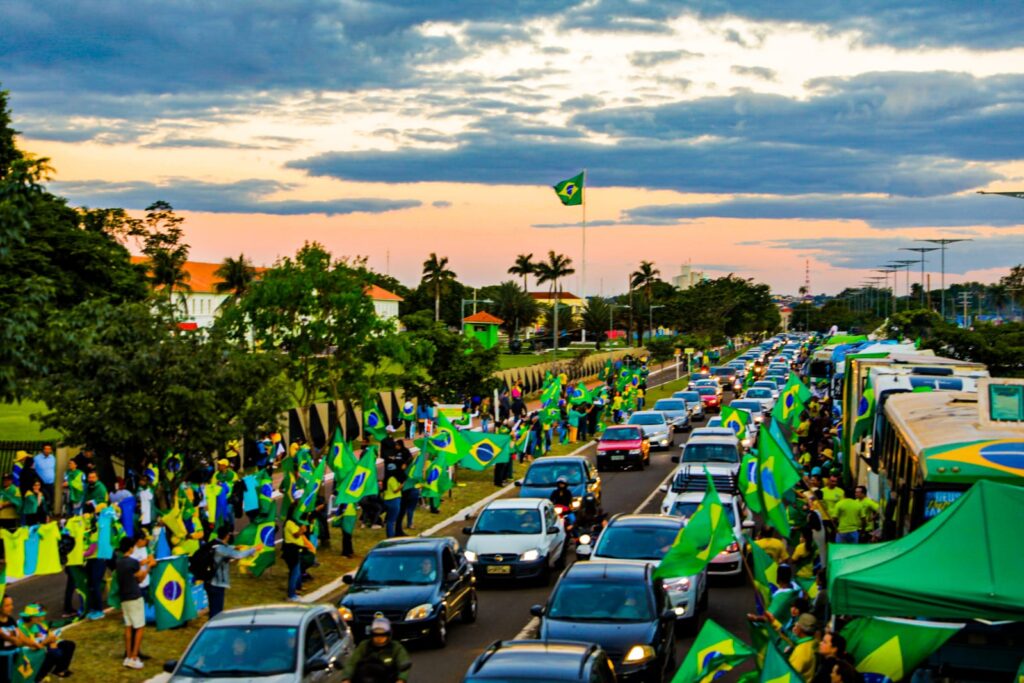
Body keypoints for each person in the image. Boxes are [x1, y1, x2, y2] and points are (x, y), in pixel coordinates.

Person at [116, 535, 154, 669]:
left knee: (128, 626)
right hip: (134, 596)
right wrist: (149, 566)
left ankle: (128, 656)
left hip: (124, 597)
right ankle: (134, 656)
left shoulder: (119, 562)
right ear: (131, 548)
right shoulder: (132, 562)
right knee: (139, 627)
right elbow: (141, 578)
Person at [206, 525, 257, 618]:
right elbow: (238, 555)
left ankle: (211, 624)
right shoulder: (222, 549)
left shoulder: (213, 544)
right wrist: (253, 550)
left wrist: (234, 547)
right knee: (217, 611)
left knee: (212, 607)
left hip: (208, 580)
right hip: (217, 583)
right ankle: (215, 627)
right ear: (227, 536)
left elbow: (225, 548)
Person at [341, 617, 411, 683]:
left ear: (388, 635)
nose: (379, 638)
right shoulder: (364, 646)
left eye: (383, 635)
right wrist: (346, 678)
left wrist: (401, 679)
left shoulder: (396, 647)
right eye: (376, 635)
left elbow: (403, 662)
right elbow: (352, 663)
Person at [18, 603, 76, 678]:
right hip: (26, 654)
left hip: (38, 647)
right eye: (38, 616)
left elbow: (40, 637)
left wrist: (51, 640)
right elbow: (31, 647)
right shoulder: (20, 628)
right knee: (53, 653)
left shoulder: (34, 624)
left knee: (68, 645)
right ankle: (38, 677)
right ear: (31, 617)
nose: (41, 618)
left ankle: (59, 670)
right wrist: (47, 642)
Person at [283, 510, 309, 601]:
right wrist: (301, 530)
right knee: (294, 573)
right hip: (292, 551)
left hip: (296, 550)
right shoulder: (290, 523)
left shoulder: (295, 523)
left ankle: (297, 589)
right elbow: (296, 535)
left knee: (296, 572)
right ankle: (291, 595)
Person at [786, 612, 819, 682]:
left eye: (797, 624)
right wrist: (773, 622)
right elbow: (791, 639)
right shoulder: (812, 642)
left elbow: (788, 676)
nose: (794, 627)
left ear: (800, 628)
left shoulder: (801, 652)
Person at [33, 444, 57, 513]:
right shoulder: (37, 459)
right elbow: (34, 470)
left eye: (49, 449)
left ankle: (49, 514)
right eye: (46, 449)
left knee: (51, 499)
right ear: (43, 449)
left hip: (51, 483)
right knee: (44, 499)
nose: (47, 451)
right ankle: (42, 514)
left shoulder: (52, 458)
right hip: (41, 484)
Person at [382, 464, 404, 538]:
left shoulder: (385, 479)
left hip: (387, 500)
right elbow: (395, 490)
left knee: (389, 520)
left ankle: (390, 535)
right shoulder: (392, 479)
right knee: (391, 520)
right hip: (394, 500)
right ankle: (391, 536)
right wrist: (402, 485)